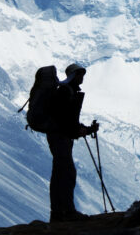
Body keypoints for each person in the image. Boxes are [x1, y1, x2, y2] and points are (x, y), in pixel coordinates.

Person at [45, 62, 98, 221]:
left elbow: (67, 120)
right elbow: (66, 120)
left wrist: (84, 130)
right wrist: (83, 130)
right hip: (60, 138)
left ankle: (58, 213)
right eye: (80, 74)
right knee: (67, 173)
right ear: (73, 76)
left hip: (58, 137)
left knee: (60, 174)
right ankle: (67, 212)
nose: (82, 77)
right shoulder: (66, 92)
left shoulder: (67, 91)